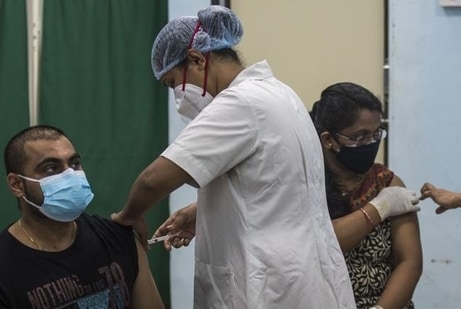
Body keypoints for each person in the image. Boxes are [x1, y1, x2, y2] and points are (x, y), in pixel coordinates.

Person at [112, 5, 356, 308]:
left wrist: (128, 217)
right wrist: (204, 210)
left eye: (173, 83)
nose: (177, 95)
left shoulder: (239, 103)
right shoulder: (281, 93)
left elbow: (154, 180)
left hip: (267, 285)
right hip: (306, 277)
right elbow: (275, 188)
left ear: (197, 59)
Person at [0, 125, 164, 309]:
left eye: (74, 163)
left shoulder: (118, 238)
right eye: (51, 168)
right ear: (17, 185)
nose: (70, 175)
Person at [310, 82, 422, 309]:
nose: (371, 143)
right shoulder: (308, 186)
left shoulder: (387, 183)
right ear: (328, 140)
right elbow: (320, 246)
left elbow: (410, 262)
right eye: (360, 136)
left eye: (376, 133)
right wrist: (379, 208)